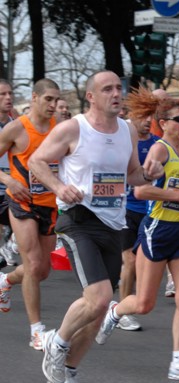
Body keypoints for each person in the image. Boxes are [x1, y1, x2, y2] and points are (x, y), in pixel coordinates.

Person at [29, 71, 163, 383]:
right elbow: (37, 161)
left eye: (119, 88)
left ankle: (70, 368)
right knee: (100, 297)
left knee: (98, 310)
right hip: (79, 220)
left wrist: (150, 174)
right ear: (91, 96)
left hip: (113, 224)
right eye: (107, 89)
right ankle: (57, 341)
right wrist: (59, 187)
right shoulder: (74, 128)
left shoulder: (127, 130)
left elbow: (132, 174)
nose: (116, 93)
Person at [94, 94, 179, 382]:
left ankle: (178, 362)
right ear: (163, 124)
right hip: (158, 229)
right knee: (144, 304)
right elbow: (141, 192)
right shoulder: (160, 150)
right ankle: (115, 311)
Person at [0, 79, 60, 352]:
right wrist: (9, 181)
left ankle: (6, 280)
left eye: (55, 100)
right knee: (33, 263)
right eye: (48, 99)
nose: (52, 105)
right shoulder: (17, 128)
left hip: (51, 205)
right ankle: (37, 331)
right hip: (21, 203)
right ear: (34, 97)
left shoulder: (61, 129)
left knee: (42, 270)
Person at [115, 86, 161, 332]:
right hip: (124, 209)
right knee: (129, 261)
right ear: (131, 116)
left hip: (150, 212)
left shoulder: (157, 144)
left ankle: (125, 300)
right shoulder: (122, 140)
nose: (147, 122)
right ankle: (121, 309)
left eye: (150, 118)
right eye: (142, 117)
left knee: (141, 264)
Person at [0, 79, 16, 266]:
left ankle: (9, 247)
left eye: (10, 93)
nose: (8, 97)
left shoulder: (18, 126)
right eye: (3, 94)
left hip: (12, 191)